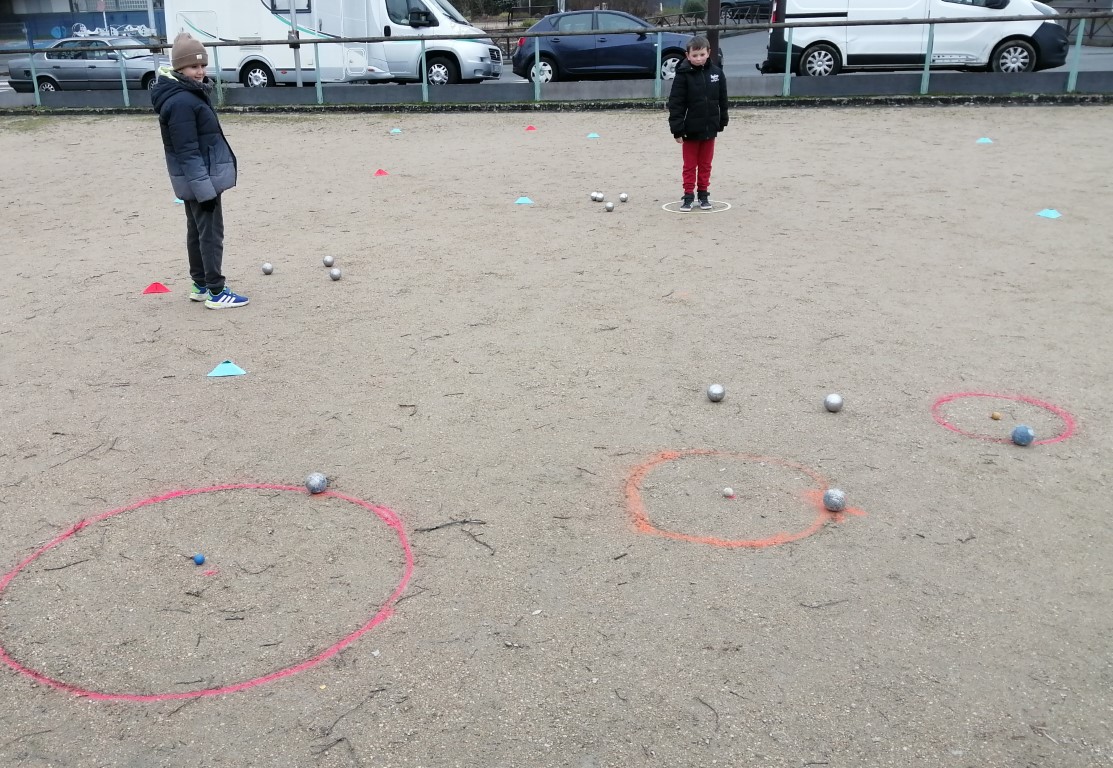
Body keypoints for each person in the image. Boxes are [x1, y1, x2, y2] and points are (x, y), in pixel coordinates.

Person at [151, 33, 249, 308]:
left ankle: (201, 285)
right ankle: (217, 292)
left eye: (202, 65)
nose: (200, 71)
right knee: (210, 234)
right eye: (194, 67)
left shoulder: (187, 94)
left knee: (196, 231)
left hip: (197, 179)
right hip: (200, 180)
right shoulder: (182, 101)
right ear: (180, 69)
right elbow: (187, 151)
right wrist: (205, 190)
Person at [667, 36, 729, 212]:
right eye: (695, 55)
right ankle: (688, 195)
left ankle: (703, 194)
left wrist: (722, 119)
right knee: (689, 164)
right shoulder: (682, 75)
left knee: (706, 164)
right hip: (690, 130)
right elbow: (676, 103)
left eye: (702, 54)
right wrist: (677, 129)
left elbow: (722, 99)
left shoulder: (717, 73)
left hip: (710, 127)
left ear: (708, 53)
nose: (699, 58)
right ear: (688, 55)